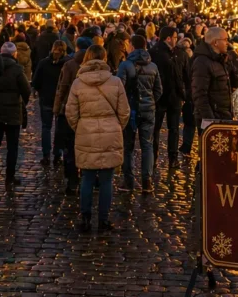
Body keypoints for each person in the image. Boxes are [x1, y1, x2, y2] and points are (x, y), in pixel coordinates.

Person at [65, 44, 130, 233]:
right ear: (104, 59)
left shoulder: (78, 83)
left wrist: (81, 127)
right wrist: (116, 126)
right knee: (107, 180)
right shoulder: (115, 82)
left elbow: (70, 112)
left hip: (86, 131)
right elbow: (124, 111)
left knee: (87, 177)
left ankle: (85, 218)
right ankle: (103, 219)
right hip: (111, 132)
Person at [116, 35, 162, 193]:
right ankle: (147, 182)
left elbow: (119, 88)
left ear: (132, 46)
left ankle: (128, 181)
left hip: (131, 109)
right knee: (147, 145)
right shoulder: (153, 66)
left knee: (128, 146)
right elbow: (158, 90)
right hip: (148, 109)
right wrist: (150, 102)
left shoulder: (125, 65)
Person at [0, 42, 31, 190]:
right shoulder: (17, 69)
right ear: (14, 54)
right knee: (12, 147)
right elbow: (26, 90)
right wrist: (21, 101)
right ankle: (9, 177)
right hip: (13, 112)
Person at [54, 36, 91, 195]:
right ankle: (87, 176)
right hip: (88, 110)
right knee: (88, 146)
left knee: (70, 147)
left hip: (69, 110)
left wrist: (57, 107)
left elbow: (61, 88)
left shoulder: (69, 65)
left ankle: (72, 181)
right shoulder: (93, 66)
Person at [151, 26, 184, 171]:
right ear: (168, 38)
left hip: (170, 96)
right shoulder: (158, 53)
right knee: (167, 128)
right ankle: (168, 158)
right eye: (175, 37)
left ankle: (161, 158)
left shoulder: (176, 53)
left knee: (166, 129)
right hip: (164, 96)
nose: (177, 40)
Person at [32, 40, 69, 165]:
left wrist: (39, 91)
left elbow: (36, 81)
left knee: (46, 127)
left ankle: (46, 155)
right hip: (62, 100)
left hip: (47, 99)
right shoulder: (67, 64)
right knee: (60, 128)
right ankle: (58, 154)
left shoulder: (43, 63)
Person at [191, 27, 233, 126]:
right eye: (225, 40)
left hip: (223, 115)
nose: (227, 43)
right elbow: (199, 94)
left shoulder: (220, 59)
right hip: (212, 119)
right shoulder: (202, 62)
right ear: (215, 42)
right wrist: (210, 121)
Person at [176, 37, 196, 156]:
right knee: (190, 123)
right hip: (189, 97)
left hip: (191, 97)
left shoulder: (194, 64)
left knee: (190, 123)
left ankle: (187, 146)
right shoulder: (188, 63)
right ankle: (186, 146)